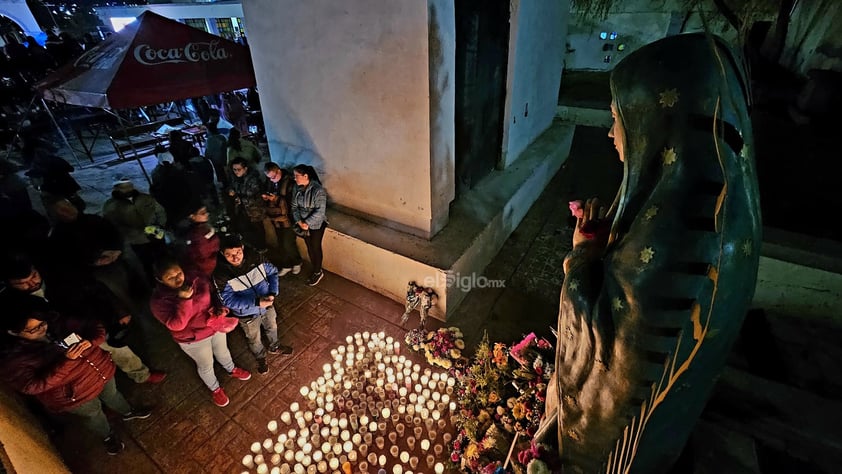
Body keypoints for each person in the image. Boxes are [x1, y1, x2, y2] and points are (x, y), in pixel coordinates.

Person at [540, 33, 761, 473]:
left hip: (614, 453)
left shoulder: (681, 233)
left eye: (617, 118)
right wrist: (607, 244)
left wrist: (582, 259)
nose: (611, 133)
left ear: (653, 120)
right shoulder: (712, 203)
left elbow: (607, 352)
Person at [0, 307, 152, 455]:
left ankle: (127, 411)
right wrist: (67, 361)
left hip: (99, 372)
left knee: (112, 394)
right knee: (93, 414)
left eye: (42, 323)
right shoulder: (13, 358)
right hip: (74, 394)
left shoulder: (58, 322)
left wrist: (91, 341)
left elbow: (94, 325)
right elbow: (32, 386)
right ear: (13, 332)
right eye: (33, 329)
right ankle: (108, 435)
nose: (42, 329)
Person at [150, 255, 251, 407]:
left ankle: (231, 369)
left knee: (223, 350)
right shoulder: (159, 301)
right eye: (170, 278)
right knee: (206, 363)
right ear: (160, 280)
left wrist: (220, 308)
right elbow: (177, 325)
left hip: (214, 325)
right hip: (193, 338)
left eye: (178, 273)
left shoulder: (195, 277)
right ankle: (215, 388)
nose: (178, 279)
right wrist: (184, 300)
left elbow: (212, 292)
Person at [213, 234, 292, 375]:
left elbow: (273, 272)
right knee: (253, 337)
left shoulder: (256, 258)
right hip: (247, 314)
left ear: (242, 247)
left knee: (272, 326)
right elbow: (228, 300)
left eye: (238, 252)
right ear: (222, 254)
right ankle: (260, 357)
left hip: (267, 305)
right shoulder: (221, 274)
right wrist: (255, 302)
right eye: (229, 255)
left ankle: (275, 346)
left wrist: (273, 292)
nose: (235, 257)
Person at [102, 176, 168, 280]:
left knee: (165, 259)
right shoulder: (111, 206)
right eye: (124, 187)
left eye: (129, 186)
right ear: (116, 188)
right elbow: (113, 226)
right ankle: (153, 282)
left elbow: (160, 211)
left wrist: (160, 226)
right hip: (138, 241)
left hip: (157, 235)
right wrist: (136, 233)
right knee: (147, 264)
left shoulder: (145, 198)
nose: (128, 189)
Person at [262, 162, 302, 275]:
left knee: (288, 243)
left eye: (273, 177)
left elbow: (292, 202)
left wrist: (276, 199)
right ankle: (286, 264)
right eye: (269, 178)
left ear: (279, 171)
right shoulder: (270, 182)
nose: (272, 180)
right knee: (280, 242)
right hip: (276, 218)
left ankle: (297, 262)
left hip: (288, 219)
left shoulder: (290, 182)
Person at [292, 164, 328, 286]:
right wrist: (299, 222)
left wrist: (307, 223)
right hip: (303, 224)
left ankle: (318, 271)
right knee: (309, 246)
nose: (295, 179)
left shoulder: (318, 190)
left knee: (315, 247)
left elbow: (320, 211)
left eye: (297, 176)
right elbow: (294, 207)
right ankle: (315, 268)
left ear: (305, 176)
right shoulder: (297, 189)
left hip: (316, 224)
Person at [228, 158, 266, 250]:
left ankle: (261, 249)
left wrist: (240, 198)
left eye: (239, 169)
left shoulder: (253, 180)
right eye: (234, 169)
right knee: (245, 231)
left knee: (258, 232)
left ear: (245, 169)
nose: (236, 172)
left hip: (254, 211)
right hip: (242, 210)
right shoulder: (235, 179)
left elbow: (257, 197)